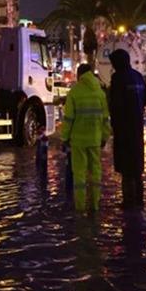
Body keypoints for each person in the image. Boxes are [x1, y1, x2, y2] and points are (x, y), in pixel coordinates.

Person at [61, 63, 111, 215]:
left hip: (78, 141)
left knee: (79, 175)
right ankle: (95, 205)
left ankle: (80, 207)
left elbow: (68, 118)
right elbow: (105, 118)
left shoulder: (74, 92)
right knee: (95, 172)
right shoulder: (99, 92)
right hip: (95, 140)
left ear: (79, 75)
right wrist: (104, 137)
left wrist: (65, 138)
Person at [107, 49, 146, 209]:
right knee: (137, 168)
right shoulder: (137, 76)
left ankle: (128, 202)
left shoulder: (118, 78)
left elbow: (115, 104)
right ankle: (139, 200)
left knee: (126, 168)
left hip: (123, 129)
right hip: (137, 128)